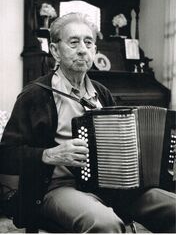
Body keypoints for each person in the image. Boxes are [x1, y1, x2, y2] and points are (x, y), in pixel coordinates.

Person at [0, 12, 175, 233]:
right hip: (58, 188)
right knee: (104, 224)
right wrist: (49, 154)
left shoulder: (102, 93)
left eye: (89, 42)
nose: (83, 49)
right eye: (73, 42)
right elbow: (5, 155)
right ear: (55, 50)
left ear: (95, 50)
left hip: (111, 185)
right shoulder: (35, 95)